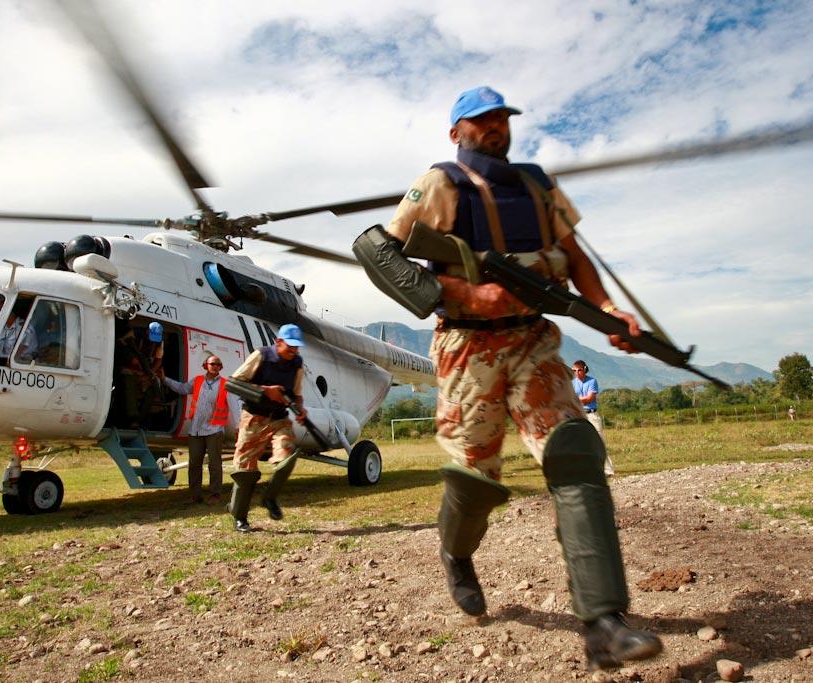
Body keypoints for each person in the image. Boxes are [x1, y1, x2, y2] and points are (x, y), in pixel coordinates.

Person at [367, 86, 661, 670]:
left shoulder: (537, 184)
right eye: (481, 121)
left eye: (502, 118)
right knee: (475, 480)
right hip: (466, 347)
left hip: (532, 338)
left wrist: (608, 311)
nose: (496, 127)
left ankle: (604, 622)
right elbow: (379, 253)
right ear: (457, 132)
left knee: (574, 453)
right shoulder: (440, 184)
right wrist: (465, 292)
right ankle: (456, 554)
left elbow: (574, 254)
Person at [227, 323, 308, 533]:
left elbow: (296, 393)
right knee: (245, 469)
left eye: (297, 347)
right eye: (290, 346)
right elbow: (233, 383)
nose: (294, 351)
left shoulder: (297, 364)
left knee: (288, 455)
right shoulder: (261, 356)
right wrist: (265, 391)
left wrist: (300, 409)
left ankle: (269, 498)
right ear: (278, 342)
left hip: (279, 418)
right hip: (253, 417)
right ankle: (240, 517)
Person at [159, 354, 230, 505]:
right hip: (196, 430)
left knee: (214, 464)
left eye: (218, 364)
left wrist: (238, 426)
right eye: (213, 364)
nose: (216, 366)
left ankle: (215, 494)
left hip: (214, 430)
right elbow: (182, 388)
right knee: (194, 464)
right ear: (206, 365)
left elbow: (234, 405)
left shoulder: (225, 384)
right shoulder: (197, 381)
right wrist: (165, 380)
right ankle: (195, 496)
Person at [572, 360, 615, 476]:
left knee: (599, 442)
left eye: (579, 370)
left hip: (591, 415)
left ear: (584, 369)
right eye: (574, 371)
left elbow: (589, 399)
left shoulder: (592, 381)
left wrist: (575, 399)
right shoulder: (572, 383)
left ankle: (608, 470)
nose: (577, 373)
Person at [0, 301, 37, 365]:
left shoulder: (25, 327)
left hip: (21, 364)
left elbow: (18, 353)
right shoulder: (2, 329)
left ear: (9, 312)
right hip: (2, 363)